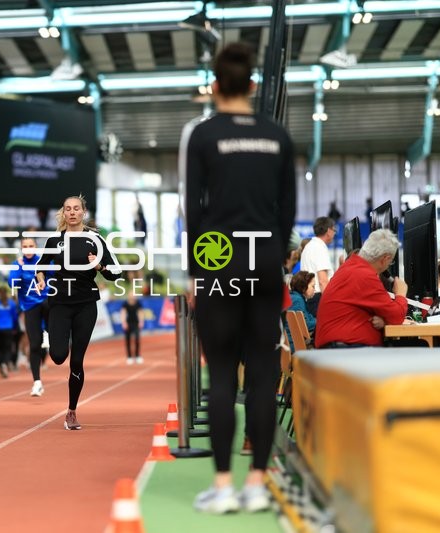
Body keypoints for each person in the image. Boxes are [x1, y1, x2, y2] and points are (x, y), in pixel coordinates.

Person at [182, 42, 296, 514]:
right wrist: (273, 257)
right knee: (264, 373)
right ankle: (256, 484)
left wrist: (194, 272)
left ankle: (224, 487)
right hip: (265, 261)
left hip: (218, 263)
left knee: (223, 373)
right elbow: (287, 211)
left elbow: (194, 208)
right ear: (253, 85)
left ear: (213, 86)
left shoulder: (204, 136)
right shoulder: (277, 136)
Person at [35, 195, 122, 431]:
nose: (72, 212)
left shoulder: (95, 239)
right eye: (67, 209)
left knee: (76, 361)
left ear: (83, 212)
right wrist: (41, 278)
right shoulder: (55, 240)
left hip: (86, 304)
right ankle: (51, 336)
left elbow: (116, 272)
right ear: (63, 214)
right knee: (58, 355)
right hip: (60, 303)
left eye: (76, 209)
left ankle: (71, 411)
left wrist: (99, 266)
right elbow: (41, 265)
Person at [314, 229, 408, 348]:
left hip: (338, 345)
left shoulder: (351, 266)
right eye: (390, 262)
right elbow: (396, 316)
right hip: (346, 349)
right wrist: (401, 294)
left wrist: (384, 321)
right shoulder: (365, 276)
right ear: (385, 259)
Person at [8, 236, 50, 397]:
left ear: (35, 246)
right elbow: (12, 284)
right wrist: (19, 268)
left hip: (47, 303)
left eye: (31, 245)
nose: (28, 248)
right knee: (34, 345)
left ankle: (51, 335)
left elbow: (57, 276)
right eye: (25, 246)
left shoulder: (44, 261)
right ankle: (37, 382)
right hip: (30, 307)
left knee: (53, 339)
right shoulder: (17, 264)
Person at [300, 216, 336, 294]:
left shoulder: (309, 246)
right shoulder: (320, 247)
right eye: (334, 230)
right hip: (318, 297)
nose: (334, 233)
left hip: (309, 296)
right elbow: (322, 281)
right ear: (329, 231)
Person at [0, 284, 19, 378]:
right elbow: (15, 317)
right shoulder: (11, 303)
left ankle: (1, 364)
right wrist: (15, 327)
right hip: (8, 328)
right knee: (8, 348)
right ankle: (5, 364)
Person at [284, 271, 316, 350]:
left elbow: (309, 318)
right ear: (304, 287)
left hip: (289, 342)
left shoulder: (295, 297)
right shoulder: (297, 300)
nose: (314, 290)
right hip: (294, 344)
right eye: (313, 286)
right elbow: (306, 325)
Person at [120, 293, 144, 364]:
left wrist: (141, 321)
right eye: (131, 295)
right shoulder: (125, 303)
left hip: (136, 323)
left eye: (134, 295)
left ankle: (137, 356)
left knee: (137, 339)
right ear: (129, 296)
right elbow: (123, 313)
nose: (133, 297)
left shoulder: (138, 303)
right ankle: (129, 357)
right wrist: (124, 322)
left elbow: (140, 312)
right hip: (128, 323)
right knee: (128, 340)